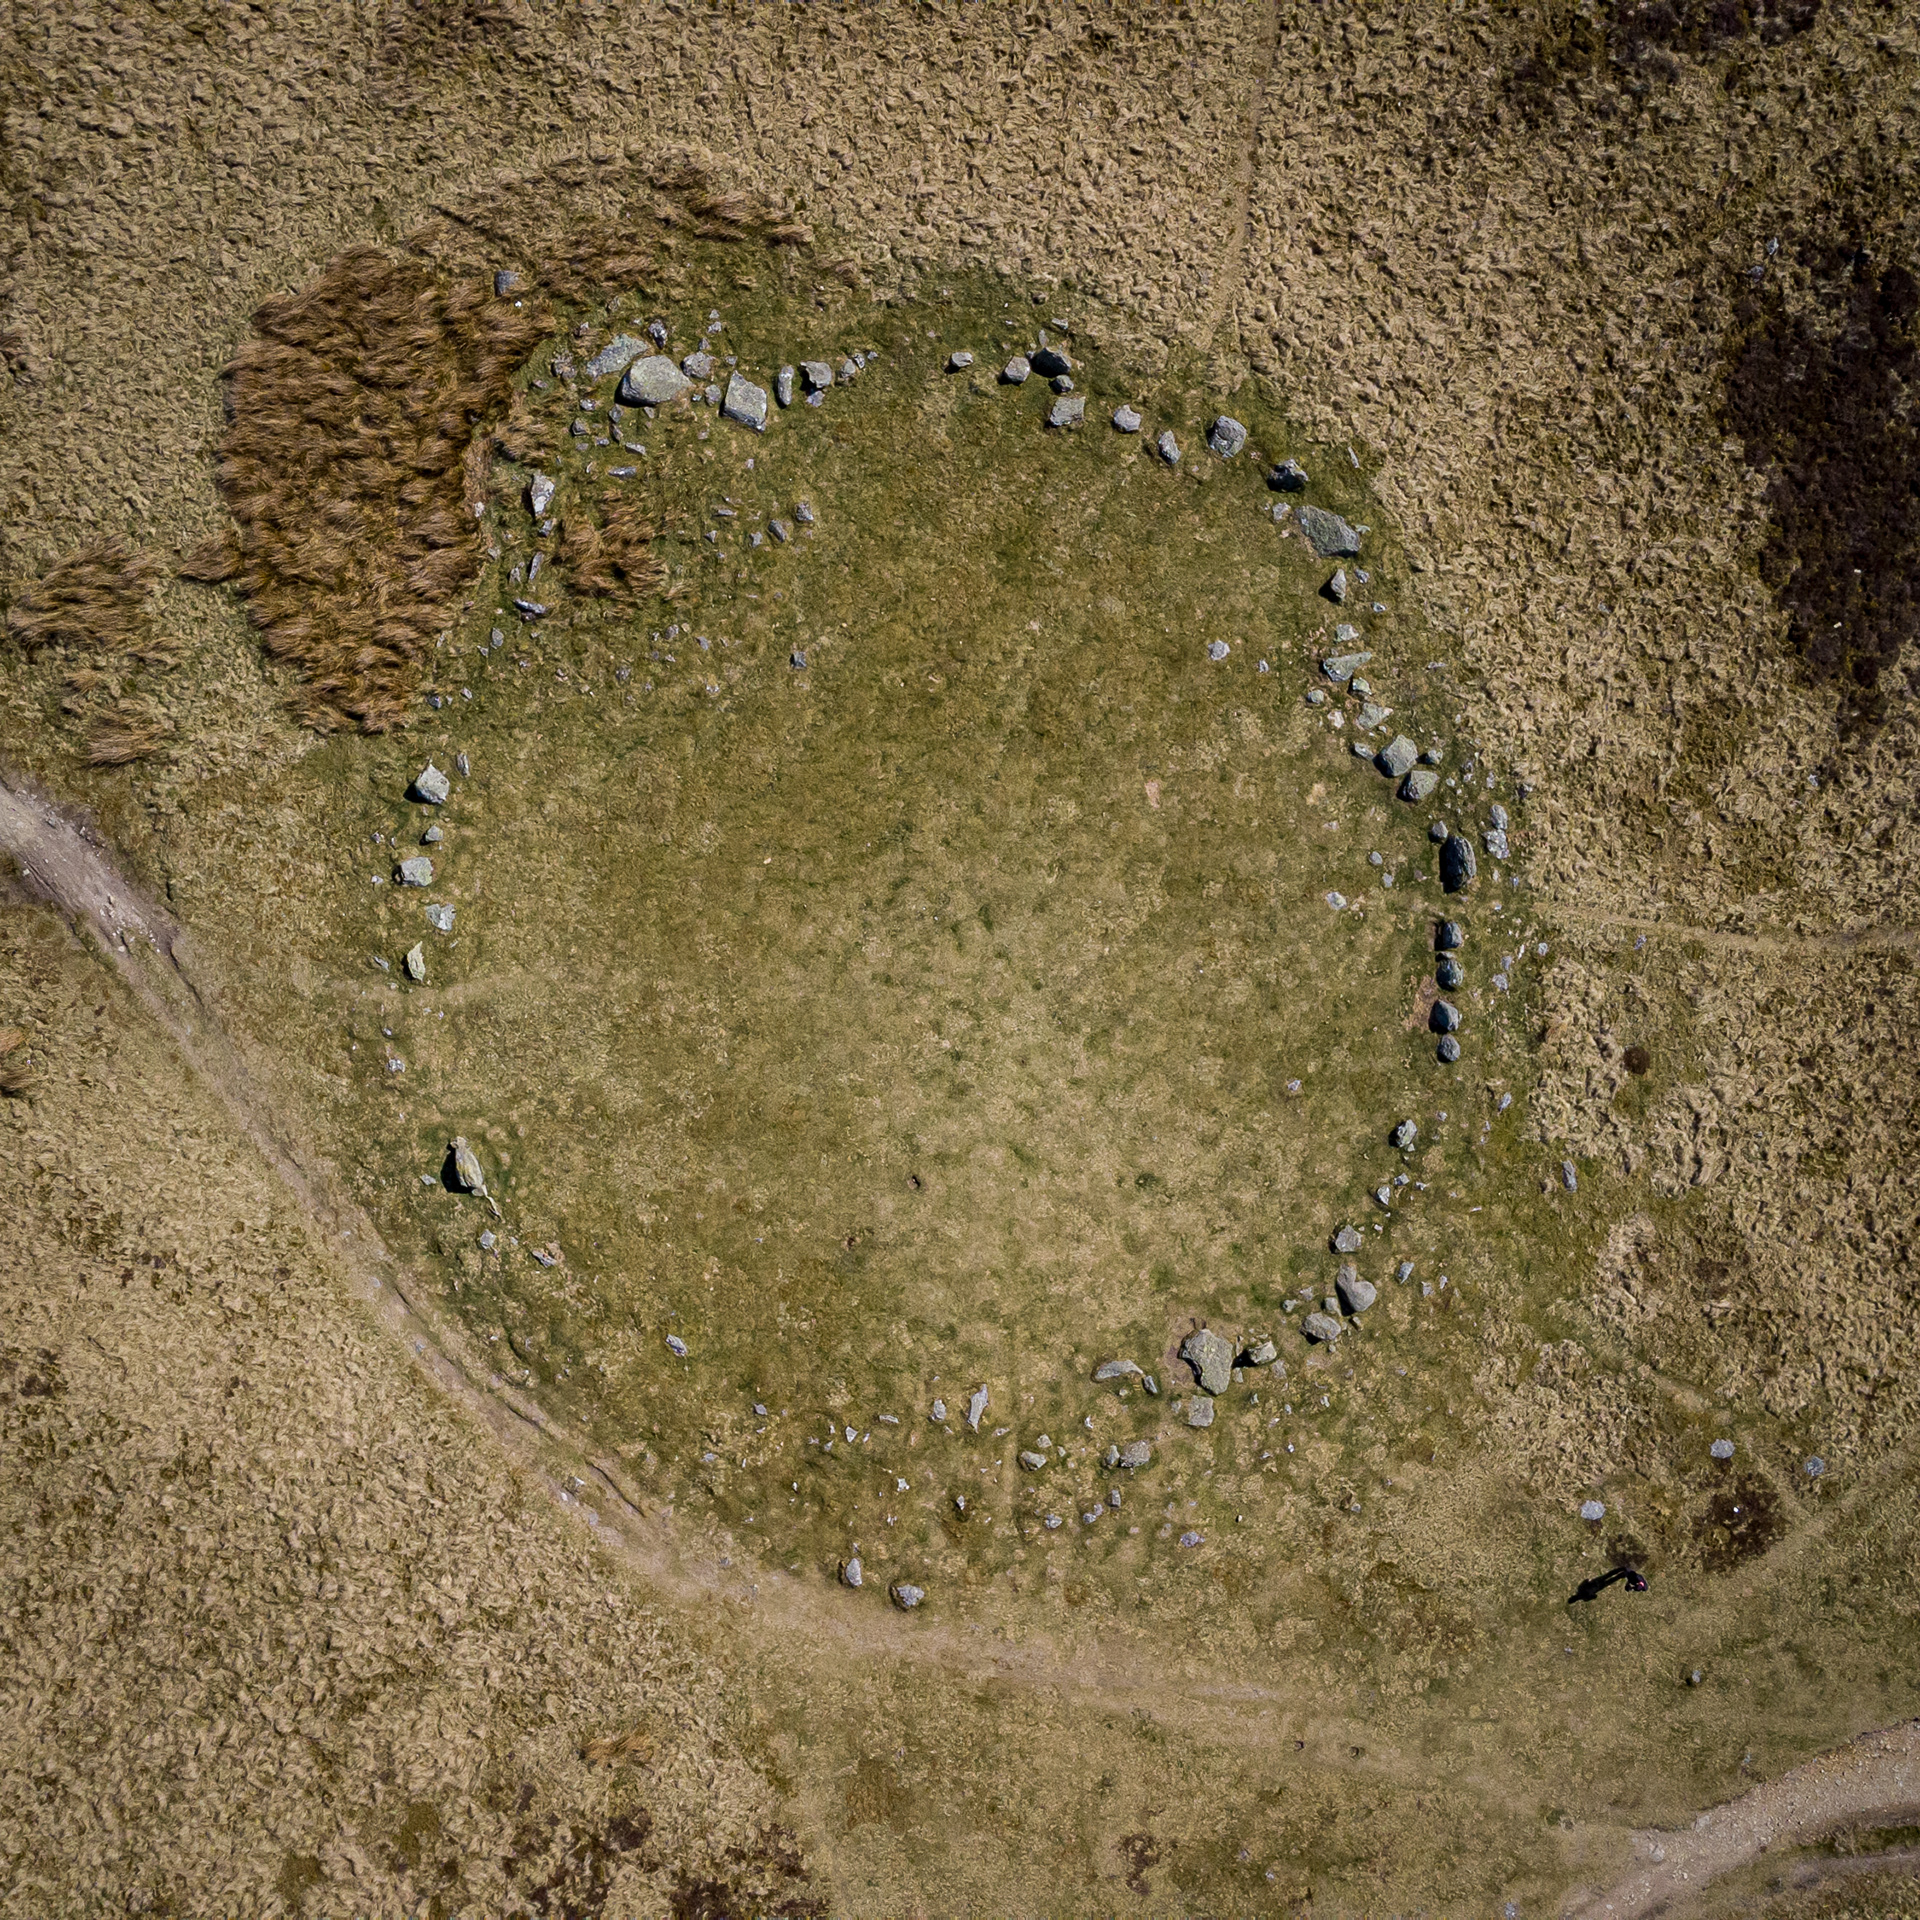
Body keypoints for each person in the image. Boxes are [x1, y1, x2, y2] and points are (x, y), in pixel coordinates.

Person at [1569, 1565, 1648, 1604]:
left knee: (1611, 1580)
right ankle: (1620, 1570)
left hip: (1599, 1587)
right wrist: (1589, 1581)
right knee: (1608, 1575)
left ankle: (1621, 1574)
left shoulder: (1585, 1598)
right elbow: (1586, 1581)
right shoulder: (1580, 1589)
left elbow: (1594, 1596)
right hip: (1596, 1582)